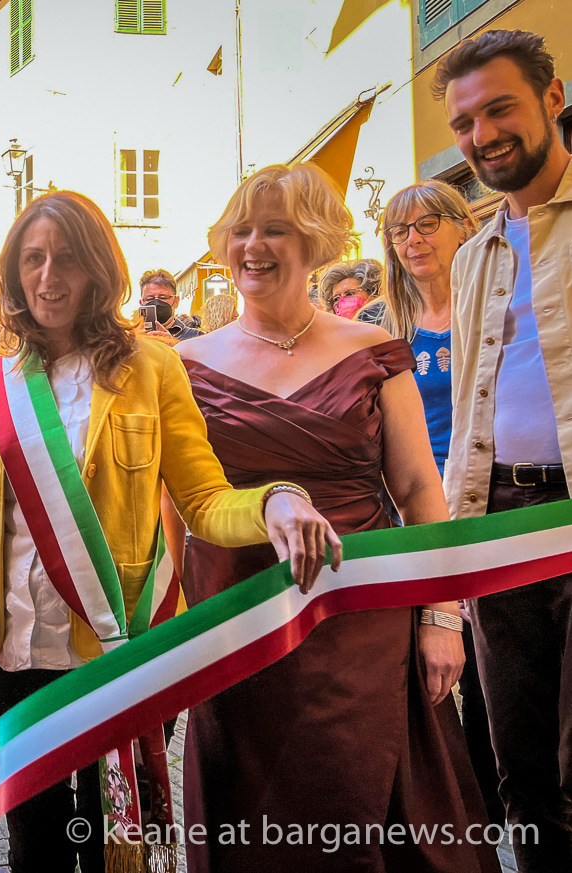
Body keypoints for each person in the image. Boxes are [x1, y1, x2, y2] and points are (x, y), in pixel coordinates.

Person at [0, 190, 342, 873]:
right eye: (34, 259)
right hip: (13, 653)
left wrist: (277, 502)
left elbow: (204, 499)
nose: (48, 277)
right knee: (36, 846)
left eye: (67, 259)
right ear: (14, 272)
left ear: (99, 270)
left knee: (118, 845)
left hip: (123, 647)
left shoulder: (153, 367)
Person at [174, 162, 493, 873]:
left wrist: (443, 614)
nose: (253, 245)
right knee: (252, 808)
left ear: (315, 242)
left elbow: (416, 487)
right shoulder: (185, 364)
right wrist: (167, 633)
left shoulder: (372, 351)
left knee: (362, 791)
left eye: (276, 229)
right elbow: (179, 509)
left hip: (364, 616)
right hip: (239, 613)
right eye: (241, 230)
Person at [436, 30, 572, 871]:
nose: (481, 134)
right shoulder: (476, 253)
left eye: (500, 109)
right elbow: (467, 411)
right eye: (463, 122)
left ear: (554, 98)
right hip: (500, 523)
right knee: (517, 757)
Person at [368, 180, 500, 824]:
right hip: (410, 515)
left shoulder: (493, 309)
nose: (412, 240)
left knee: (489, 666)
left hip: (485, 503)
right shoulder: (381, 328)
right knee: (426, 656)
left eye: (426, 225)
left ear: (458, 227)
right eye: (399, 230)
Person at [139, 268, 201, 339]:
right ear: (142, 303)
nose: (156, 302)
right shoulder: (131, 339)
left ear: (176, 301)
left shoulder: (196, 337)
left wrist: (173, 346)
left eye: (163, 297)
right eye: (149, 299)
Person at [318, 258, 383, 319]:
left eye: (350, 293)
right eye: (336, 298)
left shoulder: (387, 327)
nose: (341, 301)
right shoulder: (335, 330)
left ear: (374, 296)